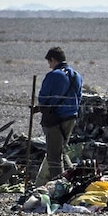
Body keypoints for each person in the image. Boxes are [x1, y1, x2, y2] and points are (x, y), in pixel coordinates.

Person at [34, 47, 83, 186]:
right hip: (71, 117)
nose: (49, 65)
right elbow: (79, 97)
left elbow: (43, 98)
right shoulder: (76, 75)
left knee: (53, 156)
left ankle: (59, 186)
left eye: (49, 62)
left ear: (53, 60)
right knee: (61, 150)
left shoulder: (54, 75)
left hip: (54, 119)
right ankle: (71, 178)